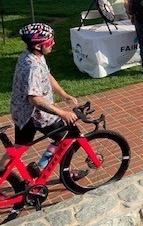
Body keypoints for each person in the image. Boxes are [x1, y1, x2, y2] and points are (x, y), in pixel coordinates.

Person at [8, 23, 86, 179]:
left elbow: (47, 75)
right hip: (36, 115)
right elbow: (35, 99)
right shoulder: (32, 67)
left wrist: (63, 94)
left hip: (22, 113)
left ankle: (39, 167)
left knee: (17, 150)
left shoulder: (33, 55)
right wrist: (62, 113)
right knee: (65, 137)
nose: (53, 43)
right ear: (38, 46)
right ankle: (61, 172)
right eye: (49, 42)